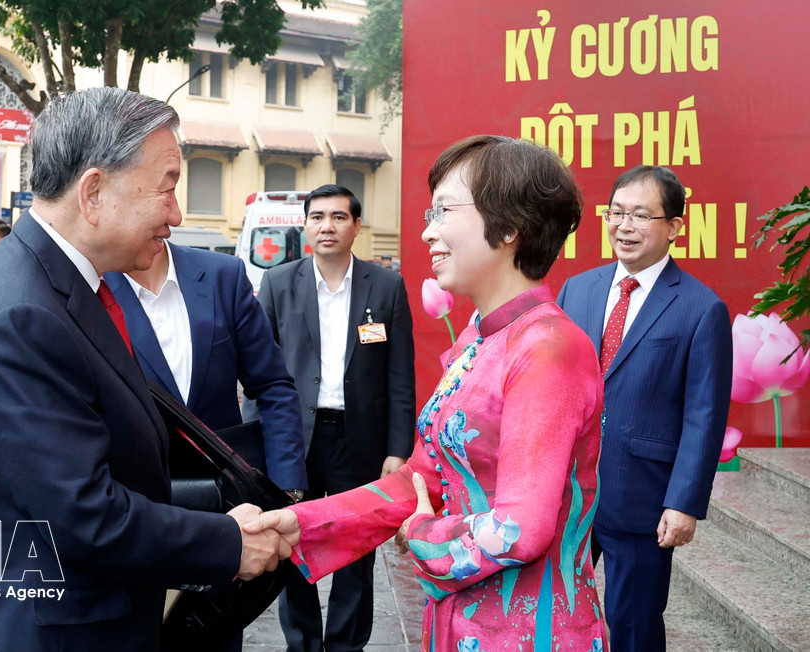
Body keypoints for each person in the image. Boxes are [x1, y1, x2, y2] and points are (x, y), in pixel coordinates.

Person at [0, 87, 290, 651]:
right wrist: (227, 543)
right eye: (167, 185)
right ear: (93, 191)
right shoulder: (25, 313)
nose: (177, 212)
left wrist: (224, 510)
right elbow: (85, 515)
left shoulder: (57, 287)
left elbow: (112, 463)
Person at [245, 136, 607, 651]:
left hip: (529, 632)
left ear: (509, 226)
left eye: (444, 211)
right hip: (462, 622)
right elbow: (423, 478)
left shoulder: (547, 347)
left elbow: (520, 528)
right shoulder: (481, 337)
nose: (428, 231)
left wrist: (421, 534)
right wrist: (301, 523)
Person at [556, 165, 733, 652]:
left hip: (642, 497)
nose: (624, 225)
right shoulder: (578, 289)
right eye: (616, 213)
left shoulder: (701, 308)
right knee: (556, 614)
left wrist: (684, 502)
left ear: (675, 226)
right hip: (567, 491)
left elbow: (704, 415)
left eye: (640, 215)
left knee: (633, 625)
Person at [104, 235, 308, 652]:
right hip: (138, 511)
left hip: (224, 509)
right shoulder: (94, 285)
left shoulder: (222, 276)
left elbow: (272, 385)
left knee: (215, 635)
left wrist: (287, 489)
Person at [247, 183, 416, 652]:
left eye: (339, 217)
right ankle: (301, 644)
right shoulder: (279, 284)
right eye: (317, 217)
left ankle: (345, 646)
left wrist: (397, 451)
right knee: (292, 545)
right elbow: (258, 373)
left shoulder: (385, 286)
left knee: (356, 553)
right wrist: (260, 444)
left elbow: (400, 376)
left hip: (359, 441)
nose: (327, 226)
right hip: (293, 439)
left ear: (356, 226)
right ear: (305, 225)